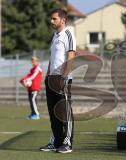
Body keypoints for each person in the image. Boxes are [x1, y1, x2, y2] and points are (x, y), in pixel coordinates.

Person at [40, 9, 76, 153]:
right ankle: (56, 141)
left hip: (63, 79)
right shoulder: (54, 36)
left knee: (64, 112)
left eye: (54, 19)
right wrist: (48, 76)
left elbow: (71, 57)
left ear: (63, 20)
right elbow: (52, 58)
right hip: (51, 79)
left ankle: (67, 143)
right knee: (53, 112)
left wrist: (63, 77)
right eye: (51, 18)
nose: (51, 21)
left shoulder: (68, 34)